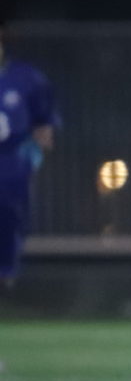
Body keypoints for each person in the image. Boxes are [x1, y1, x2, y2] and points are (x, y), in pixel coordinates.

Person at [0, 20, 57, 289]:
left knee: (10, 216)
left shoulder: (27, 79)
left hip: (10, 161)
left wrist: (33, 157)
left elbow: (44, 125)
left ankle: (6, 274)